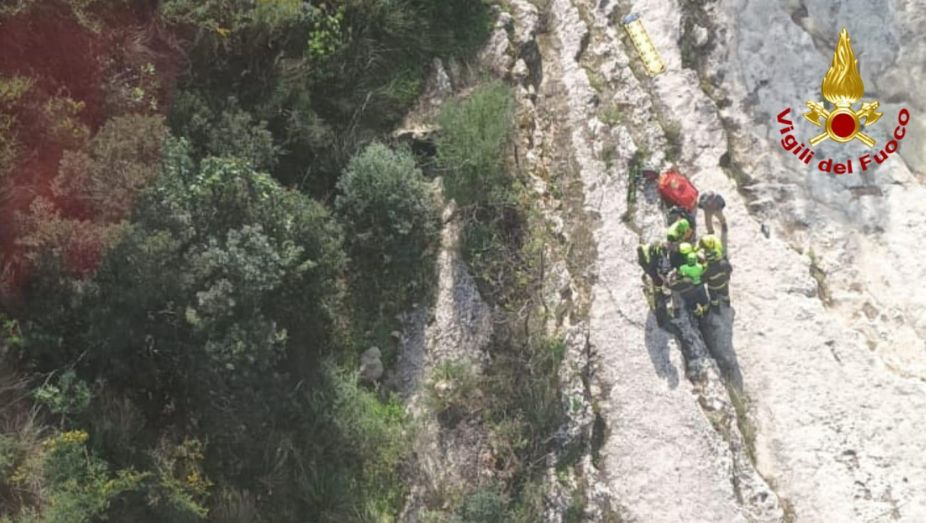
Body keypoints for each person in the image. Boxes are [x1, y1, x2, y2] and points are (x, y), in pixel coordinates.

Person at [669, 252, 710, 317]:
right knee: (703, 299)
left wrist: (673, 275)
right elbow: (704, 271)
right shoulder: (699, 267)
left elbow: (678, 274)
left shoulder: (683, 267)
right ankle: (706, 311)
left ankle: (698, 314)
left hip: (690, 286)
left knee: (692, 303)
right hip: (699, 284)